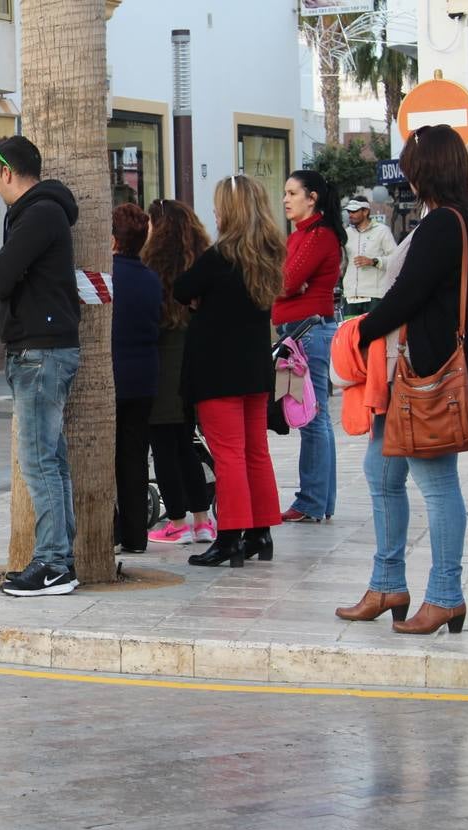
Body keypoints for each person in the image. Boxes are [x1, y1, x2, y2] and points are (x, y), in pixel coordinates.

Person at [335, 125, 468, 635]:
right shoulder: (452, 219)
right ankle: (386, 584)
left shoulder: (445, 223)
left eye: (411, 164)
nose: (407, 173)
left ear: (428, 169)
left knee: (437, 486)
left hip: (424, 373)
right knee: (381, 476)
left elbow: (408, 295)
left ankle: (445, 594)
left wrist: (362, 330)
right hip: (404, 373)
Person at [0, 136, 82, 596]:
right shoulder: (41, 211)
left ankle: (54, 563)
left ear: (4, 170)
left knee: (39, 462)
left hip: (41, 352)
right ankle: (59, 557)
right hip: (41, 349)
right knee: (51, 461)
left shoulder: (39, 213)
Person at [173, 175, 284, 567]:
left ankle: (230, 537)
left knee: (229, 455)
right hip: (254, 369)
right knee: (256, 451)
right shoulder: (269, 254)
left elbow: (182, 288)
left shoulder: (220, 257)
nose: (215, 212)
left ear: (230, 212)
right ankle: (260, 532)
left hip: (218, 370)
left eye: (219, 205)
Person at [143, 199, 216, 546]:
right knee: (186, 443)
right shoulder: (202, 260)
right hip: (193, 363)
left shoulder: (152, 267)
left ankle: (176, 521)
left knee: (163, 447)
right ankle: (203, 519)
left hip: (160, 363)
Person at [275, 170, 345, 524]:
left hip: (308, 333)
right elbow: (287, 282)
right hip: (304, 331)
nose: (285, 199)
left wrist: (286, 285)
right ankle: (319, 501)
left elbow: (284, 282)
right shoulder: (302, 236)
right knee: (316, 420)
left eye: (292, 193)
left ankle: (311, 501)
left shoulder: (318, 237)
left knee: (311, 419)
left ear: (312, 197)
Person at [109, 203, 161, 554]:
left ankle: (109, 529)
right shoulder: (151, 278)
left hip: (111, 376)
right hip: (144, 377)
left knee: (106, 457)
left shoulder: (103, 276)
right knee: (134, 456)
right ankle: (135, 534)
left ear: (112, 239)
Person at [341, 195, 397, 318]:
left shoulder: (382, 231)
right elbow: (342, 263)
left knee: (374, 335)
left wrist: (374, 261)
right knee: (351, 335)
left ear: (365, 211)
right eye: (349, 211)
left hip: (374, 296)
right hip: (351, 295)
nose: (350, 214)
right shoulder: (346, 233)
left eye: (354, 211)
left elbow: (396, 259)